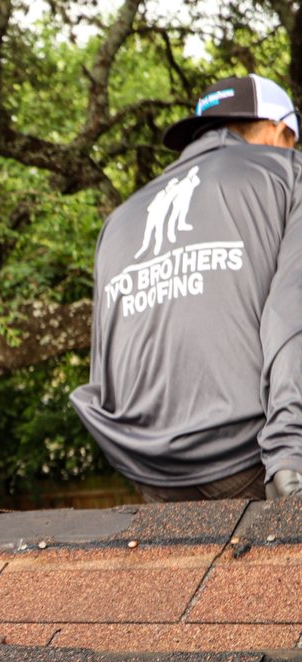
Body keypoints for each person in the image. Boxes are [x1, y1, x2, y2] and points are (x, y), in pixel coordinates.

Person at [71, 73, 302, 503]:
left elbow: (105, 359)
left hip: (151, 470)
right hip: (258, 458)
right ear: (281, 129)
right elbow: (293, 315)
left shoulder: (121, 217)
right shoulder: (288, 174)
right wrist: (289, 457)